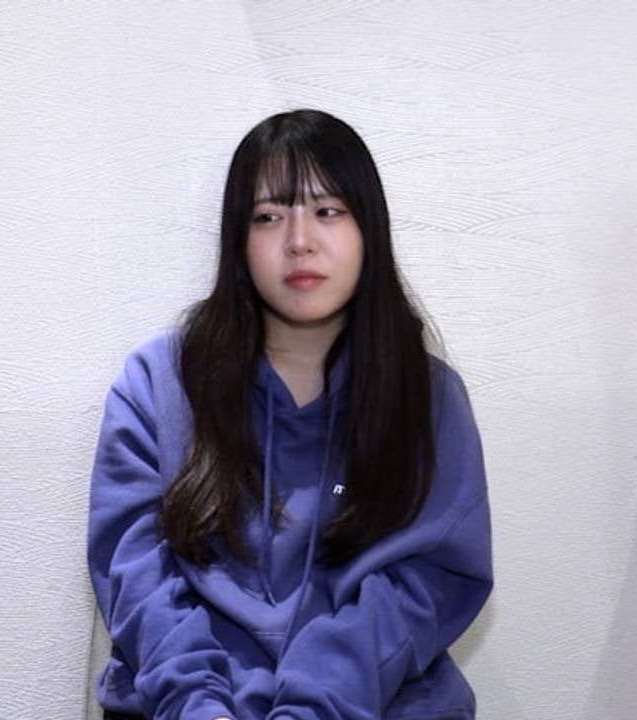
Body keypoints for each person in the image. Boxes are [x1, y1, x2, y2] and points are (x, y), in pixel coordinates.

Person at [87, 109, 493, 720]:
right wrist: (199, 707)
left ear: (369, 230)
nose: (299, 240)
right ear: (238, 239)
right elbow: (137, 577)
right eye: (269, 216)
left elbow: (426, 586)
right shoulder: (155, 385)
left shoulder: (428, 399)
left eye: (328, 211)